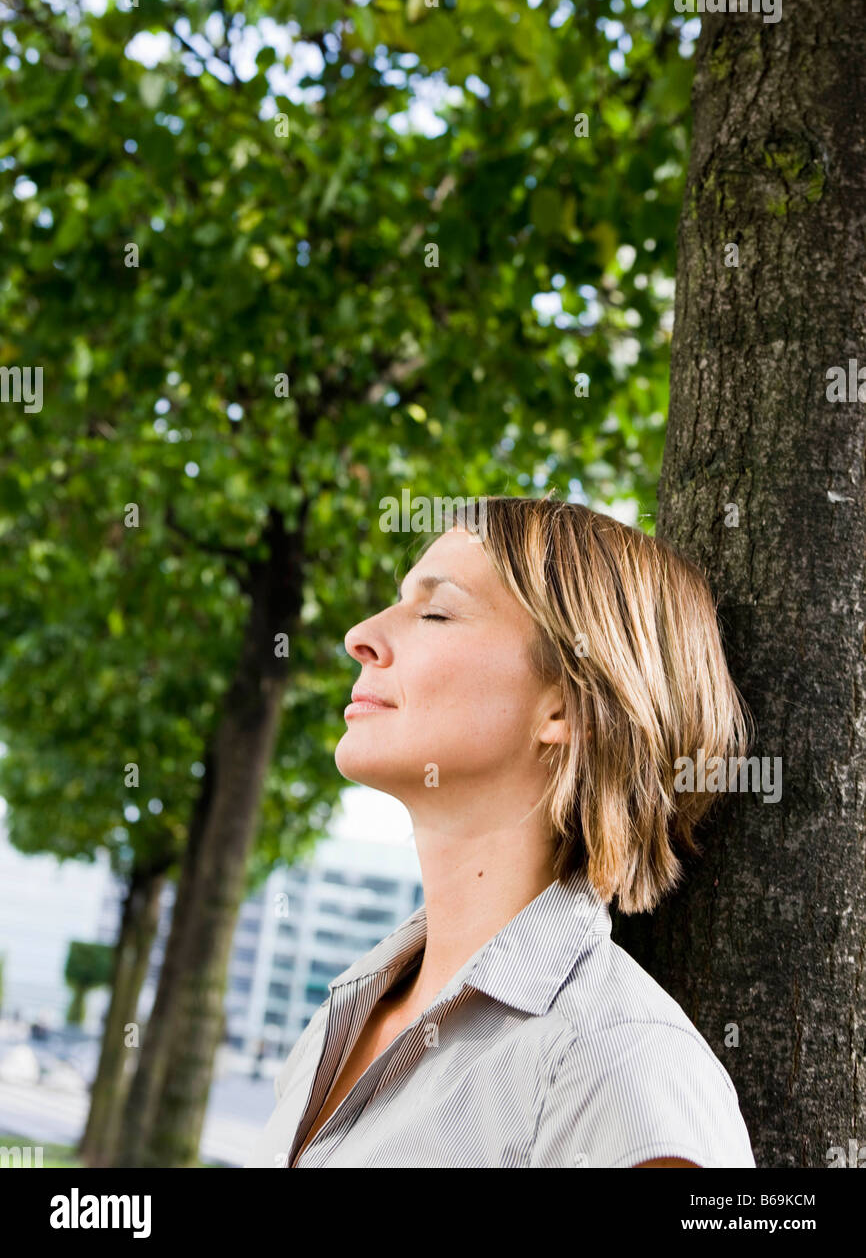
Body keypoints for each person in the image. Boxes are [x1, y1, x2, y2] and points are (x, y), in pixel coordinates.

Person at [248, 496, 756, 1169]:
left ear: (567, 706)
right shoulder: (342, 1018)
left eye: (436, 611)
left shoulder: (617, 1066)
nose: (361, 634)